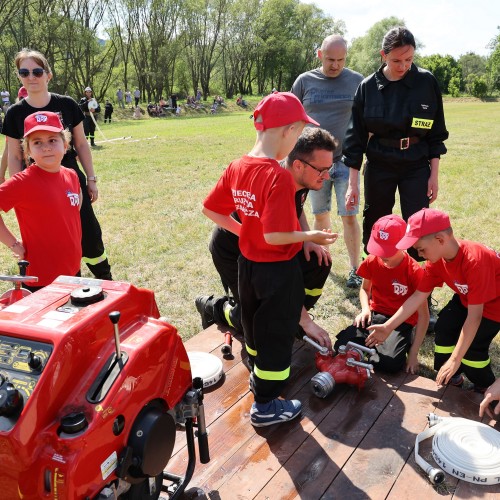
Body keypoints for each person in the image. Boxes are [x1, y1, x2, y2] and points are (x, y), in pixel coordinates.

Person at [202, 92, 337, 427]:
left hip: (249, 266)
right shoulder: (276, 175)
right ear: (289, 130)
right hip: (277, 270)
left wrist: (245, 230)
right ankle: (266, 406)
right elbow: (276, 237)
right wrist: (311, 237)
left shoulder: (238, 166)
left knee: (257, 329)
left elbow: (210, 209)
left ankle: (259, 383)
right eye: (298, 131)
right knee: (276, 337)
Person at [196, 127, 339, 350]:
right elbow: (283, 266)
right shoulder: (277, 185)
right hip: (232, 251)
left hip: (264, 245)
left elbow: (297, 205)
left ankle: (287, 316)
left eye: (329, 169)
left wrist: (308, 239)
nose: (327, 176)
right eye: (322, 170)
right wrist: (305, 320)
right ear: (299, 164)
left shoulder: (302, 176)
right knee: (254, 321)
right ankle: (214, 307)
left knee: (318, 262)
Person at [2, 48, 112, 281]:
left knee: (87, 232)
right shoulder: (15, 113)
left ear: (48, 74)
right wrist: (19, 186)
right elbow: (13, 154)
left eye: (37, 71)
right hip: (36, 181)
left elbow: (81, 144)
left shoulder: (67, 104)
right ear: (19, 76)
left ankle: (103, 278)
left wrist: (91, 179)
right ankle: (57, 283)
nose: (31, 76)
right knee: (46, 238)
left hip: (69, 176)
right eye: (24, 72)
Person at [342, 27, 449, 263]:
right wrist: (352, 185)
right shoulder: (368, 87)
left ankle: (421, 284)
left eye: (409, 59)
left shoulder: (426, 83)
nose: (403, 66)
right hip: (380, 164)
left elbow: (436, 134)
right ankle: (377, 276)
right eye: (396, 60)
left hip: (416, 165)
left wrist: (434, 175)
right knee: (377, 222)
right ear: (383, 55)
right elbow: (355, 139)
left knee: (419, 222)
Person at [366, 208, 500, 393]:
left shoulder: (475, 261)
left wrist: (455, 358)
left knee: (471, 352)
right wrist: (388, 327)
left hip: (494, 306)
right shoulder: (436, 260)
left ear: (440, 239)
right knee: (444, 327)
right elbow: (417, 297)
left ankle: (486, 388)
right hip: (467, 297)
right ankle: (452, 377)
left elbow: (475, 317)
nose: (420, 255)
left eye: (421, 249)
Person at [292, 34, 364, 288]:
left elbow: (366, 120)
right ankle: (323, 262)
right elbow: (292, 117)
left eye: (341, 60)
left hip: (345, 160)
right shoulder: (304, 81)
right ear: (320, 54)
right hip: (312, 163)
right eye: (331, 59)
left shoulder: (357, 81)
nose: (335, 65)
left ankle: (356, 269)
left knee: (349, 215)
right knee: (320, 214)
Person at [333, 214, 429, 373]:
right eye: (379, 249)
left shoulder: (414, 272)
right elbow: (364, 289)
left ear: (403, 244)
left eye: (388, 250)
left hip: (399, 321)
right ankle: (370, 346)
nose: (382, 255)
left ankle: (389, 345)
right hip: (374, 315)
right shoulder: (372, 260)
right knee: (341, 346)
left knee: (388, 365)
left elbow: (424, 315)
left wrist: (414, 353)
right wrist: (365, 310)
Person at [0, 111, 81, 290]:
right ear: (28, 150)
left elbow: (72, 209)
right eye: (37, 142)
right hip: (41, 277)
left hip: (72, 268)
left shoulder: (72, 175)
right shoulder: (23, 181)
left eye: (52, 140)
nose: (46, 147)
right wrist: (13, 244)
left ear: (65, 144)